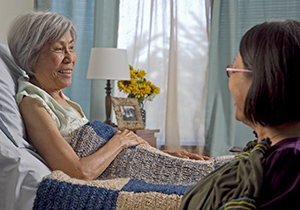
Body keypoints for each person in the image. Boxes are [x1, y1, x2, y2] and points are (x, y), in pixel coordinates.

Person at [8, 11, 211, 182]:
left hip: (143, 163)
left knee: (217, 168)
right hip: (127, 176)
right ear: (31, 56)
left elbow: (107, 152)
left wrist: (163, 155)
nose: (70, 58)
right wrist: (120, 141)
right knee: (219, 181)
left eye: (71, 47)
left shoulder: (63, 99)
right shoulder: (34, 104)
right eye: (59, 49)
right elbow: (79, 172)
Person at [179, 19, 300, 209]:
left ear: (265, 79)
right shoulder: (274, 152)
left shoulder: (288, 161)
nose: (229, 80)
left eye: (233, 69)